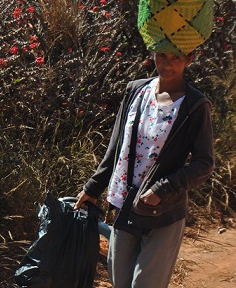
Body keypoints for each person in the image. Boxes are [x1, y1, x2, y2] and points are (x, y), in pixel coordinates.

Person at [74, 48, 215, 287]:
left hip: (164, 212)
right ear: (153, 54)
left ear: (189, 59)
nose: (167, 64)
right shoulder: (136, 91)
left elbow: (204, 163)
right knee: (121, 283)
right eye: (162, 55)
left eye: (176, 57)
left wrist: (163, 189)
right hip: (126, 205)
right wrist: (93, 187)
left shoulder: (194, 105)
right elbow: (117, 145)